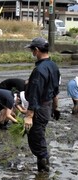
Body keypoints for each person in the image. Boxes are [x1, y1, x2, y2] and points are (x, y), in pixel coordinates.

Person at [24, 37, 60, 172]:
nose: (32, 52)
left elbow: (35, 94)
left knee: (37, 140)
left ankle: (43, 173)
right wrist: (56, 108)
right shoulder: (53, 66)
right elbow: (56, 90)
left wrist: (29, 115)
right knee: (40, 136)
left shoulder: (39, 70)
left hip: (39, 109)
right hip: (48, 107)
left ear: (37, 50)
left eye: (32, 50)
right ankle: (43, 168)